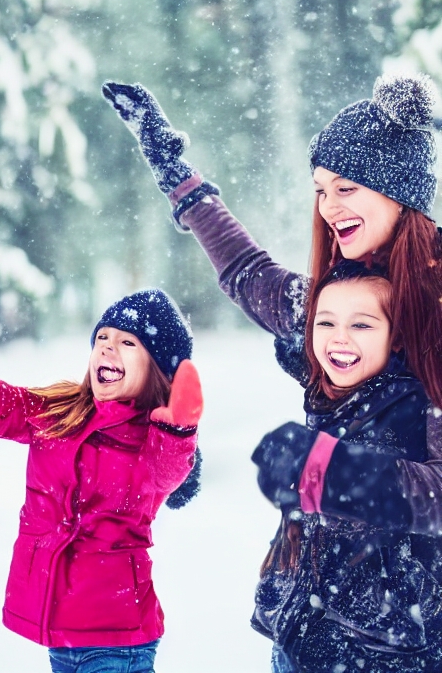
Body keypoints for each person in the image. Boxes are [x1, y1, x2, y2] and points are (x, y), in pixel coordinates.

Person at [102, 74, 442, 536]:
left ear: (400, 193)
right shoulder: (332, 300)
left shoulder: (434, 312)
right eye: (321, 190)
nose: (328, 207)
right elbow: (248, 272)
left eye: (345, 188)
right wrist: (177, 176)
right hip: (318, 572)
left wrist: (329, 470)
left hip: (403, 581)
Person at [0, 288, 203, 673]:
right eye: (102, 337)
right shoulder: (62, 413)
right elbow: (4, 404)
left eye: (127, 342)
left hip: (117, 639)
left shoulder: (151, 441)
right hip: (63, 635)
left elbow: (169, 472)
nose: (107, 347)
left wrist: (179, 430)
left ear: (157, 368)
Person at [251, 260, 442, 672]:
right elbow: (248, 275)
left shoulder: (416, 405)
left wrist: (328, 470)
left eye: (361, 325)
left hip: (380, 654)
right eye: (326, 323)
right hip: (299, 638)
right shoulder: (327, 392)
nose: (339, 337)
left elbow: (434, 495)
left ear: (396, 336)